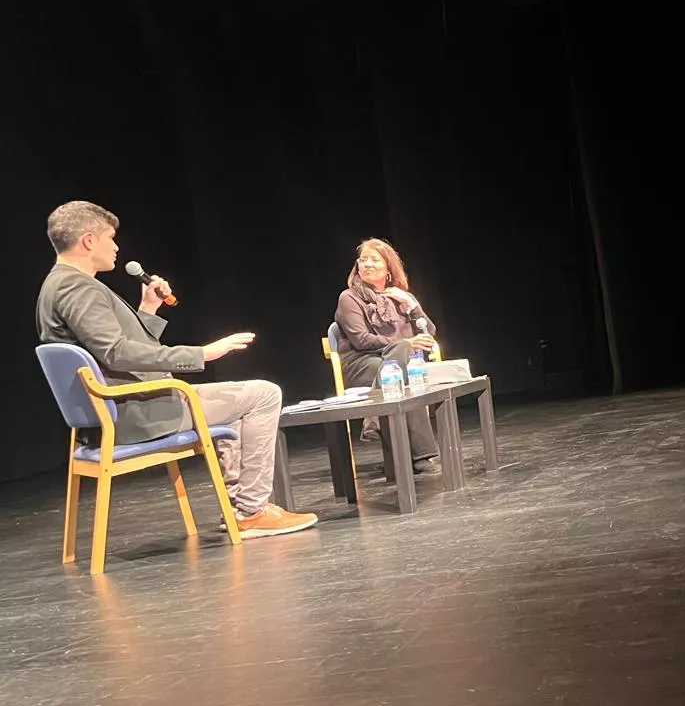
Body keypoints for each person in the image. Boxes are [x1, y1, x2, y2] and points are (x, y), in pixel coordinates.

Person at [35, 201, 318, 539]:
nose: (116, 247)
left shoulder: (60, 283)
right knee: (263, 394)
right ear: (89, 240)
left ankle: (242, 510)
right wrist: (201, 354)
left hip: (126, 407)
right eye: (111, 238)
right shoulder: (76, 286)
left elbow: (118, 347)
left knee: (237, 404)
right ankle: (251, 512)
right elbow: (116, 353)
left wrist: (148, 309)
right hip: (137, 411)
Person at [336, 239, 443, 472]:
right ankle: (421, 456)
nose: (367, 264)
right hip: (362, 364)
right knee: (400, 359)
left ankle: (374, 421)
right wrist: (404, 344)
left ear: (388, 268)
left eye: (374, 260)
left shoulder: (400, 298)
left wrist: (412, 305)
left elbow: (429, 333)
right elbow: (361, 340)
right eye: (363, 260)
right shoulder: (349, 298)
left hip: (394, 365)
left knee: (399, 365)